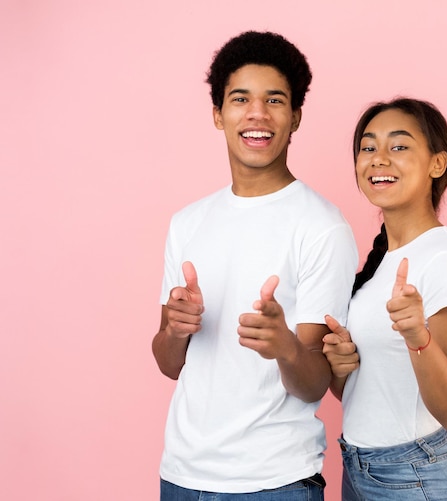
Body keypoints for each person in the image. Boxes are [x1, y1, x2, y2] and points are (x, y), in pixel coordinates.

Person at [152, 31, 358, 500]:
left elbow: (315, 383)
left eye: (275, 100)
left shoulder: (322, 227)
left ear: (296, 117)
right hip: (180, 475)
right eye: (240, 98)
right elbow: (169, 364)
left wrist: (285, 345)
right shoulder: (187, 222)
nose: (257, 114)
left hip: (274, 481)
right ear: (218, 115)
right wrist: (176, 331)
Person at [323, 98, 447, 500]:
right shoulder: (383, 262)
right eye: (367, 147)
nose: (379, 159)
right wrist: (341, 367)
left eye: (399, 146)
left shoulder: (444, 258)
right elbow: (376, 392)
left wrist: (418, 337)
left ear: (437, 164)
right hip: (362, 471)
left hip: (417, 477)